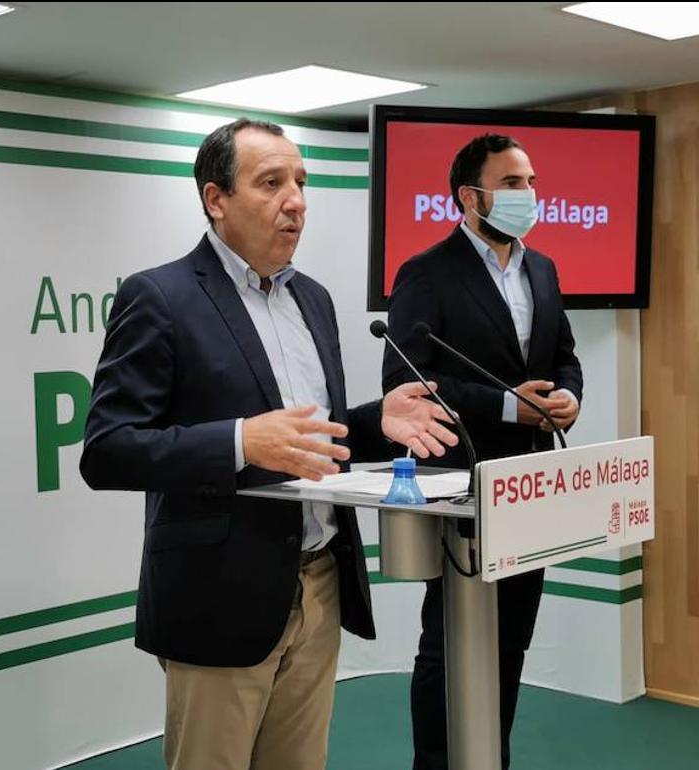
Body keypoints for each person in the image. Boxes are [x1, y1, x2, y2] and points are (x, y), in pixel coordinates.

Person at [80, 118, 458, 770]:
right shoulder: (161, 297)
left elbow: (312, 438)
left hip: (318, 585)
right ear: (216, 199)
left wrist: (374, 422)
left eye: (302, 183)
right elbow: (108, 448)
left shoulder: (312, 299)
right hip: (218, 595)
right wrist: (238, 441)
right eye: (272, 182)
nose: (297, 201)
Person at [382, 133, 583, 770]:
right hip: (461, 488)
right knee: (451, 642)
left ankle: (489, 756)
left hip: (529, 485)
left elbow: (564, 358)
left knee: (510, 641)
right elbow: (404, 381)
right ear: (471, 196)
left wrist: (568, 397)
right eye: (514, 184)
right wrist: (505, 405)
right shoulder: (426, 272)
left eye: (532, 183)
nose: (530, 195)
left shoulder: (543, 268)